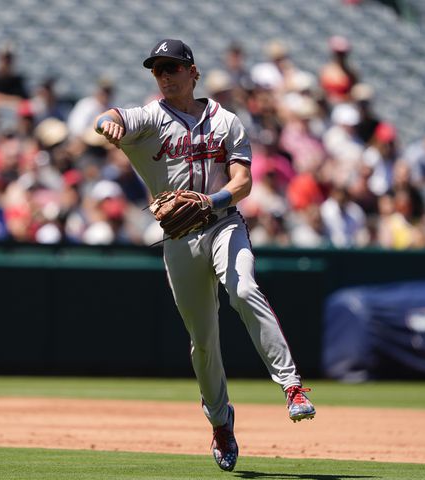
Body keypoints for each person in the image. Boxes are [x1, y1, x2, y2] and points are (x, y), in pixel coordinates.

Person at [93, 38, 315, 473]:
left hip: (223, 224)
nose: (164, 75)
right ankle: (220, 422)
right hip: (179, 241)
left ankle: (292, 386)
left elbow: (244, 183)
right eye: (157, 69)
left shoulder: (226, 121)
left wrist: (209, 201)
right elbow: (112, 116)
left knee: (244, 288)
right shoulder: (151, 117)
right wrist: (107, 123)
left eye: (172, 67)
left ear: (192, 72)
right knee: (203, 342)